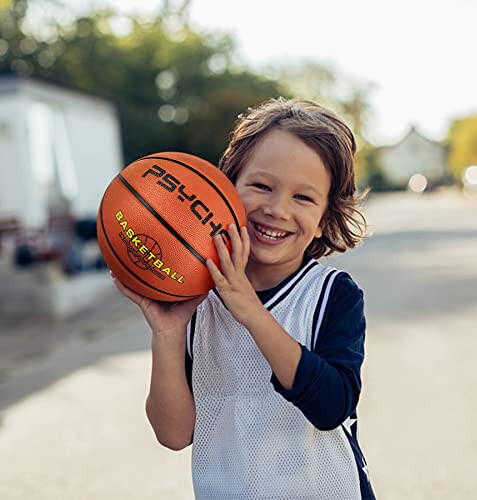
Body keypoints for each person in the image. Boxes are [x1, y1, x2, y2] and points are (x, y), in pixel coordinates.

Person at [112, 98, 376, 499]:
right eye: (261, 186)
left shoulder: (331, 296)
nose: (276, 209)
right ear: (226, 188)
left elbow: (331, 407)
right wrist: (167, 334)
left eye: (303, 198)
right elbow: (174, 434)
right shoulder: (195, 299)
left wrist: (249, 309)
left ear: (324, 219)